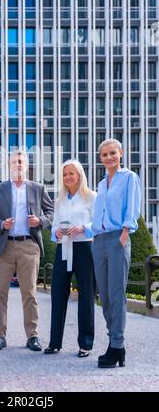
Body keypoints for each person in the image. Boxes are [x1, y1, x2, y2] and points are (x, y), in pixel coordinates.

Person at [0, 150, 54, 352]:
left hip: (28, 245)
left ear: (27, 165)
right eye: (14, 162)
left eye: (21, 161)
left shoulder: (38, 188)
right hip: (3, 247)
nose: (18, 165)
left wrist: (40, 221)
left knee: (29, 293)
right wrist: (1, 224)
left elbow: (51, 212)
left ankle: (32, 336)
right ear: (8, 166)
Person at [91, 139, 141, 368]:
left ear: (121, 153)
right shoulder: (101, 184)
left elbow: (132, 207)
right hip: (99, 241)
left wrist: (124, 233)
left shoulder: (129, 177)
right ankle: (115, 343)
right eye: (104, 155)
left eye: (113, 153)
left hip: (117, 240)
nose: (109, 157)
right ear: (100, 158)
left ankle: (117, 346)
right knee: (105, 296)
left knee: (117, 293)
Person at [44, 160, 96, 357]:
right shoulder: (59, 201)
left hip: (85, 248)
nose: (68, 177)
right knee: (57, 295)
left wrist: (84, 228)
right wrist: (56, 232)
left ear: (79, 175)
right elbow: (54, 226)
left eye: (71, 173)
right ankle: (54, 342)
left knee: (86, 297)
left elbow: (98, 222)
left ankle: (85, 344)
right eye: (65, 174)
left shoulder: (91, 197)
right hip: (63, 248)